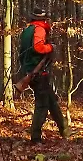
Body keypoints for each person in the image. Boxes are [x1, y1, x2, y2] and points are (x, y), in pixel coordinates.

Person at [19, 8, 71, 143]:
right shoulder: (39, 29)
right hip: (37, 73)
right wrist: (51, 47)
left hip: (31, 71)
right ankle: (35, 138)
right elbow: (38, 47)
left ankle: (65, 131)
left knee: (52, 102)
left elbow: (22, 53)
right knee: (42, 105)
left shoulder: (26, 31)